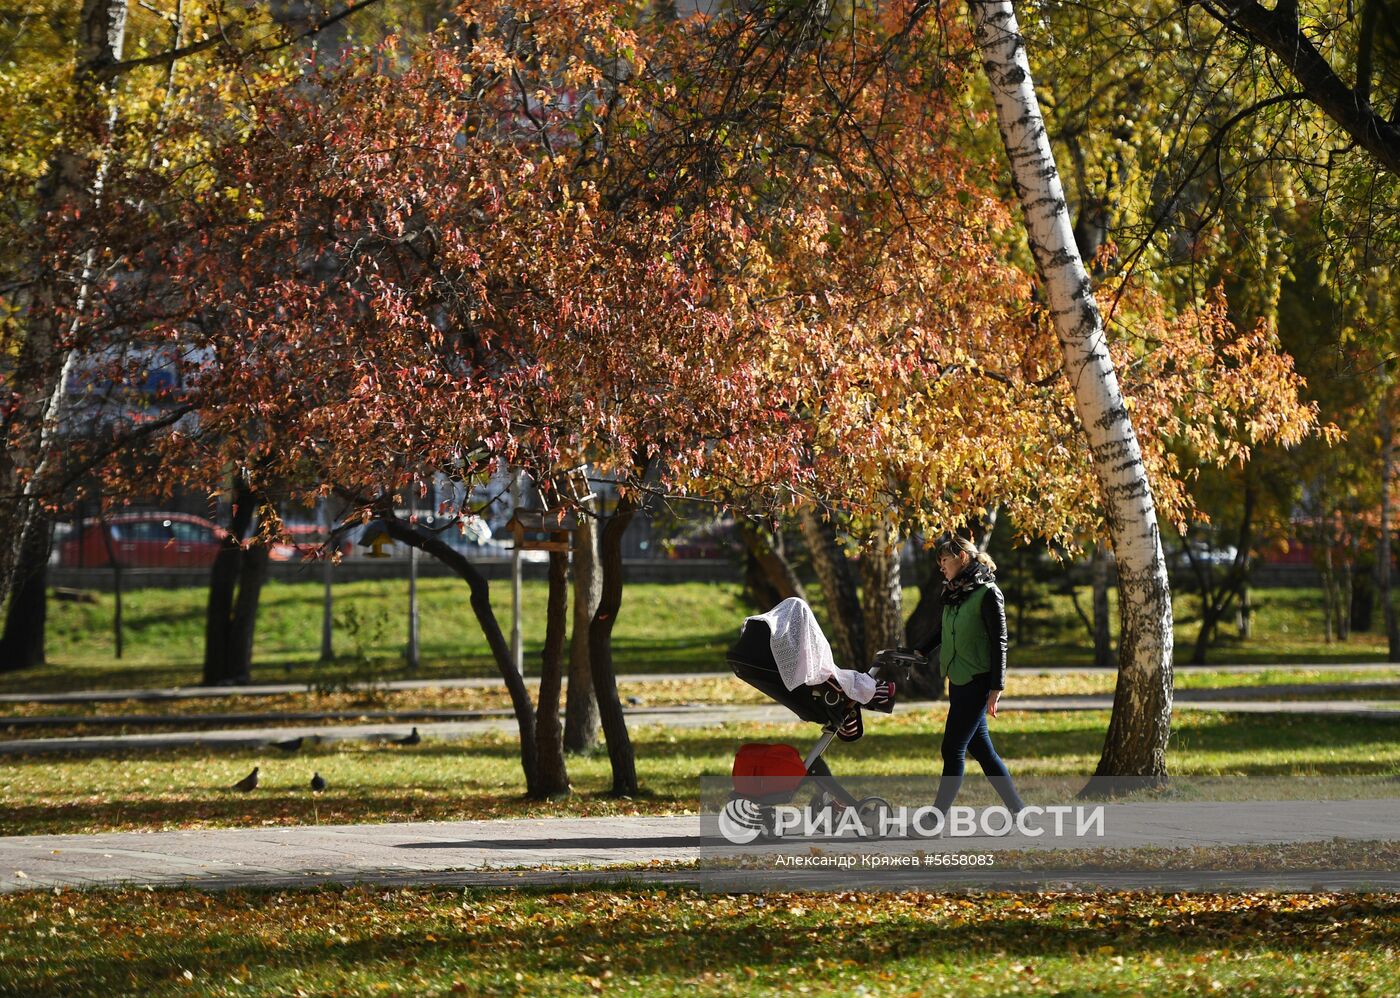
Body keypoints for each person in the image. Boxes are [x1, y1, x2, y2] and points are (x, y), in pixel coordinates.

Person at [917, 534, 1025, 817]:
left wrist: (996, 687)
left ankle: (934, 820)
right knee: (984, 752)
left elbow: (1000, 641)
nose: (941, 567)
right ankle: (1019, 812)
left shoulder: (988, 592)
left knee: (952, 749)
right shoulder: (955, 592)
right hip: (958, 678)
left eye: (944, 560)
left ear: (962, 557)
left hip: (978, 681)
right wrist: (918, 652)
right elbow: (942, 631)